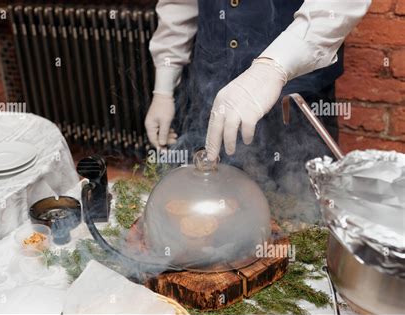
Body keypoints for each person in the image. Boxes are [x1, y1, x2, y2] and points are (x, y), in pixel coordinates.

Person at [144, 0, 371, 196]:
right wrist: (163, 89)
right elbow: (179, 4)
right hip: (211, 99)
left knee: (305, 224)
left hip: (295, 105)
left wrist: (274, 67)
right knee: (212, 223)